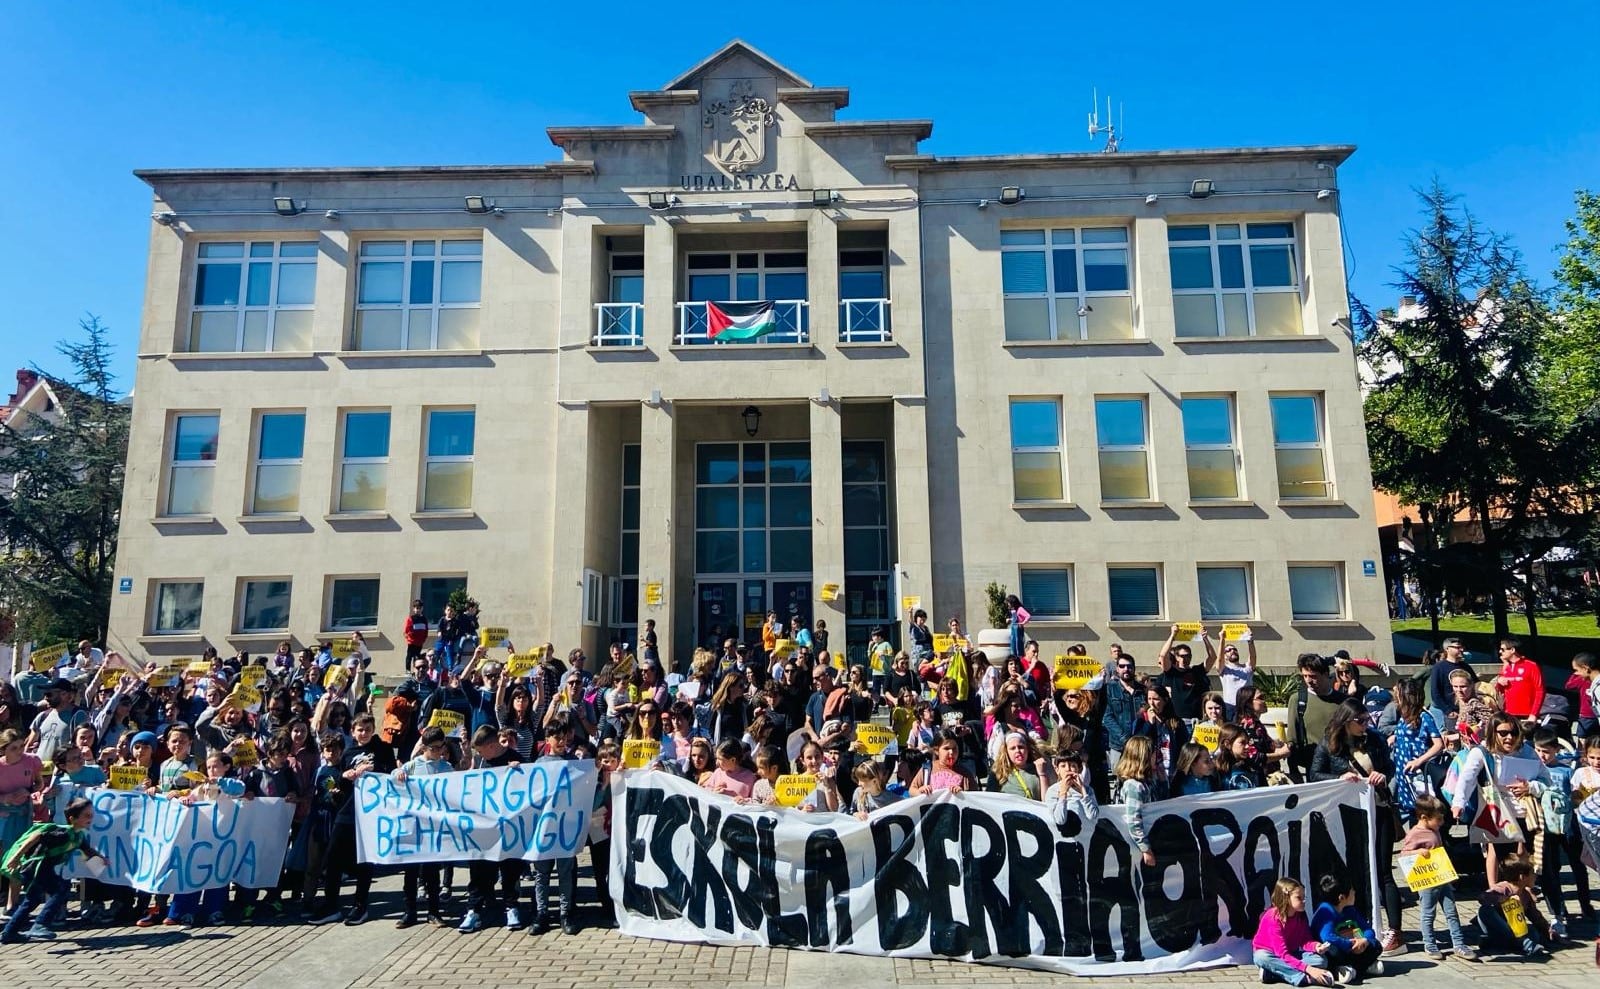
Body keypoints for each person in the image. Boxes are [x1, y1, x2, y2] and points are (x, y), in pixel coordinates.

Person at [1310, 701, 1404, 953]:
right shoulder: (1329, 742)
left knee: (1384, 870)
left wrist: (1383, 775)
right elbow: (1314, 773)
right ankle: (1360, 922)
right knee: (1356, 869)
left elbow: (1390, 767)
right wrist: (1338, 778)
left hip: (1379, 809)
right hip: (1347, 814)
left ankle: (1395, 930)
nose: (1365, 726)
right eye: (1359, 721)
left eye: (1367, 720)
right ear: (1346, 721)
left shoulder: (1374, 739)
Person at [0, 796, 104, 943]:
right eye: (87, 816)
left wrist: (102, 858)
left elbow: (87, 849)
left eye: (92, 815)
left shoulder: (78, 836)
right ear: (72, 818)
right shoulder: (63, 833)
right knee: (61, 888)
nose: (90, 819)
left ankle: (9, 933)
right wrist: (16, 857)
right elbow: (37, 836)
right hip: (37, 865)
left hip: (43, 867)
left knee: (32, 900)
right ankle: (40, 924)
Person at [1527, 729, 1592, 932]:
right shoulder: (1534, 771)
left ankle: (1585, 902)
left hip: (1568, 825)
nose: (1542, 755)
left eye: (1546, 751)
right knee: (1551, 867)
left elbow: (1574, 797)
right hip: (1545, 826)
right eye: (1538, 750)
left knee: (1577, 864)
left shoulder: (1565, 771)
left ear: (1556, 749)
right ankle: (1559, 910)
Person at [1401, 795, 1478, 961]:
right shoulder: (1415, 833)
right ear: (1424, 817)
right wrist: (1417, 852)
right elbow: (1404, 853)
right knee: (1428, 913)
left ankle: (1459, 943)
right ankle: (1429, 944)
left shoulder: (1434, 830)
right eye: (1439, 819)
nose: (1442, 822)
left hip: (1441, 878)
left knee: (1451, 911)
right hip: (1427, 881)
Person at [528, 718, 580, 936]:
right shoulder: (540, 764)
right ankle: (542, 913)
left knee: (566, 871)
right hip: (544, 827)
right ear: (548, 739)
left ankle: (565, 913)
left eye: (563, 737)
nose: (560, 741)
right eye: (556, 737)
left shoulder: (575, 762)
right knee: (542, 873)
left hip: (566, 827)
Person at [1254, 879, 1335, 986]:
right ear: (1286, 898)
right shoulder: (1272, 918)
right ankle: (1304, 979)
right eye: (1299, 898)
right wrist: (1309, 969)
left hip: (1289, 955)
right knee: (1261, 957)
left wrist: (1316, 947)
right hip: (1271, 954)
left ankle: (1273, 974)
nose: (1303, 901)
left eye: (1304, 897)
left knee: (1321, 960)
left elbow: (1305, 940)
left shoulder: (1300, 915)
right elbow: (1282, 954)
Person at [1475, 854, 1551, 957]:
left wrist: (1548, 929)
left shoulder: (1526, 895)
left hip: (1514, 930)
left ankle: (1502, 944)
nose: (1535, 877)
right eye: (1533, 873)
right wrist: (1504, 899)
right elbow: (1483, 897)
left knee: (1533, 931)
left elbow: (1535, 916)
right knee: (1485, 911)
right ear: (1522, 877)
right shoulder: (1503, 888)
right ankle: (1524, 944)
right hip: (1498, 928)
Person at [1311, 874, 1382, 982]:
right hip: (1338, 950)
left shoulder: (1350, 909)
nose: (1354, 892)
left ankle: (1355, 968)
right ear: (1342, 897)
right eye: (1352, 890)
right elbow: (1327, 937)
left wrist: (1364, 941)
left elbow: (1367, 929)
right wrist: (1350, 944)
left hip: (1353, 948)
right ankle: (1347, 968)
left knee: (1376, 945)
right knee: (1332, 950)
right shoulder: (1325, 911)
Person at [1292, 654, 1346, 780]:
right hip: (1314, 766)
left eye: (1313, 676)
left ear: (1326, 674)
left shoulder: (1343, 701)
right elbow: (1292, 738)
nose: (1308, 680)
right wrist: (1294, 770)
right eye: (1305, 676)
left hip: (1341, 763)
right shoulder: (1298, 700)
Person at [1114, 736, 1159, 867]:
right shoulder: (1134, 786)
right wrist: (1146, 849)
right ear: (1143, 757)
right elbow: (1134, 821)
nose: (1156, 756)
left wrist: (1162, 781)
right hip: (1136, 847)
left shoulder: (1147, 781)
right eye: (1152, 754)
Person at [26, 678, 90, 765]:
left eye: (49, 694)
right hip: (39, 772)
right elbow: (29, 745)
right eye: (45, 694)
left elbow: (84, 745)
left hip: (63, 771)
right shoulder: (42, 716)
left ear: (64, 694)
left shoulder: (79, 715)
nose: (45, 698)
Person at [1155, 626, 1213, 721]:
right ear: (1176, 657)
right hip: (1178, 720)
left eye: (1188, 656)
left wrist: (1205, 639)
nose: (1185, 659)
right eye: (1182, 656)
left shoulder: (1196, 671)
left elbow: (1212, 658)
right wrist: (1173, 635)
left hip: (1197, 719)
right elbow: (1163, 656)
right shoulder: (1172, 672)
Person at [1493, 638, 1543, 724]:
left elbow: (1540, 691)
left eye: (1503, 649)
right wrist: (1499, 682)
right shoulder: (1506, 667)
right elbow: (1500, 691)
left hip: (1527, 715)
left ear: (1512, 650)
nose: (1500, 652)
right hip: (1509, 714)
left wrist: (1534, 714)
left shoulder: (1531, 666)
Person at [987, 731, 1048, 800]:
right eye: (1013, 748)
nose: (1017, 751)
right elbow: (990, 799)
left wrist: (1042, 774)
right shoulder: (998, 773)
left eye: (1021, 747)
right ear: (1006, 752)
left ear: (1027, 749)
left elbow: (1047, 801)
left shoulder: (1039, 768)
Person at [1428, 638, 1475, 728]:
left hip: (1464, 711)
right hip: (1446, 713)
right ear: (1447, 649)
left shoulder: (1465, 666)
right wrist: (1448, 711)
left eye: (1461, 647)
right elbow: (1435, 692)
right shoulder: (1439, 667)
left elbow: (1476, 685)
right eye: (1457, 647)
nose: (1461, 649)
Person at [1045, 749, 1099, 826]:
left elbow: (1093, 816)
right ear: (1057, 770)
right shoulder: (1052, 791)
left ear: (1079, 769)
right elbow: (1060, 820)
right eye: (1063, 766)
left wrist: (1083, 791)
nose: (1068, 769)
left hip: (1085, 834)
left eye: (1073, 766)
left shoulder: (1088, 790)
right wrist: (1063, 793)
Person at [1216, 627, 1258, 718]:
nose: (1232, 651)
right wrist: (1222, 639)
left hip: (1247, 707)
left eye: (1234, 649)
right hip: (1230, 708)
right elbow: (1219, 660)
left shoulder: (1246, 668)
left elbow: (1253, 657)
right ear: (1225, 656)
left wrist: (1250, 641)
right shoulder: (1224, 669)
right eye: (1228, 650)